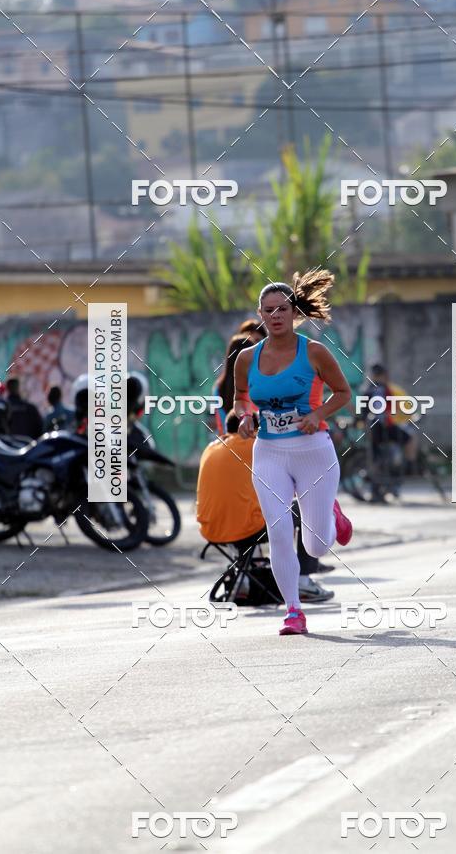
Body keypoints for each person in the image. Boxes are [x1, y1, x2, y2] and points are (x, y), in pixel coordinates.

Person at [234, 268, 353, 636]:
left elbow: (343, 393)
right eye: (267, 310)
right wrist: (244, 417)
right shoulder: (245, 358)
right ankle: (293, 611)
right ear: (260, 313)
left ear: (294, 311)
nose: (275, 316)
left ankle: (331, 515)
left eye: (282, 309)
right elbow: (240, 399)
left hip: (313, 451)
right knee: (279, 531)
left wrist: (317, 414)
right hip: (269, 452)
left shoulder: (314, 352)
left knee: (316, 547)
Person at [197, 411, 334, 603]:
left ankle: (243, 578)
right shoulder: (254, 446)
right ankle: (303, 580)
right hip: (245, 527)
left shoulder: (211, 449)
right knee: (301, 507)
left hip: (210, 528)